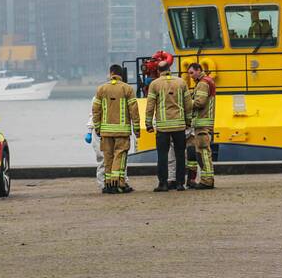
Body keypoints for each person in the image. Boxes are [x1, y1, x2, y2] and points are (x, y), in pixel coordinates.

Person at [91, 64, 140, 194]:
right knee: (120, 156)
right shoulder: (127, 89)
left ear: (110, 73)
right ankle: (119, 184)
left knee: (107, 157)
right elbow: (134, 110)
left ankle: (107, 185)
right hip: (122, 131)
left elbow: (95, 110)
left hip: (105, 131)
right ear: (121, 75)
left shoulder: (101, 89)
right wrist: (136, 128)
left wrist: (97, 127)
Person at [145, 60, 189, 192]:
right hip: (179, 125)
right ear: (170, 69)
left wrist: (148, 123)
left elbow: (150, 106)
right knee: (180, 155)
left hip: (163, 127)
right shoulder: (181, 82)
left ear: (158, 71)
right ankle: (180, 184)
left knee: (162, 156)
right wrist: (188, 121)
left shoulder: (155, 84)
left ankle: (163, 184)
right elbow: (188, 104)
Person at [186, 62, 216, 190]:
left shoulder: (203, 83)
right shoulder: (206, 81)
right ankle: (205, 179)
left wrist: (186, 102)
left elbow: (200, 102)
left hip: (202, 124)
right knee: (202, 152)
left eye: (192, 73)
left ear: (199, 70)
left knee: (203, 152)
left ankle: (207, 180)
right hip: (204, 123)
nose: (190, 76)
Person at [85, 115, 134, 191]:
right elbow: (94, 112)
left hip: (106, 129)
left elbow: (95, 111)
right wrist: (90, 130)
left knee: (112, 158)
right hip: (107, 130)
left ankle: (116, 183)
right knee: (115, 158)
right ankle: (108, 184)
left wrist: (90, 130)